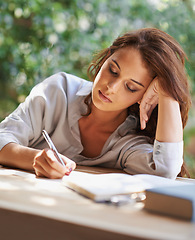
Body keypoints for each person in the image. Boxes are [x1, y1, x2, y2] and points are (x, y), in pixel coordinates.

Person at [0, 28, 191, 179]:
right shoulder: (58, 91)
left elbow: (164, 170)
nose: (112, 87)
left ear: (144, 96)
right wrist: (35, 159)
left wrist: (167, 92)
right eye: (113, 70)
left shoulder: (130, 142)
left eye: (131, 87)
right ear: (105, 60)